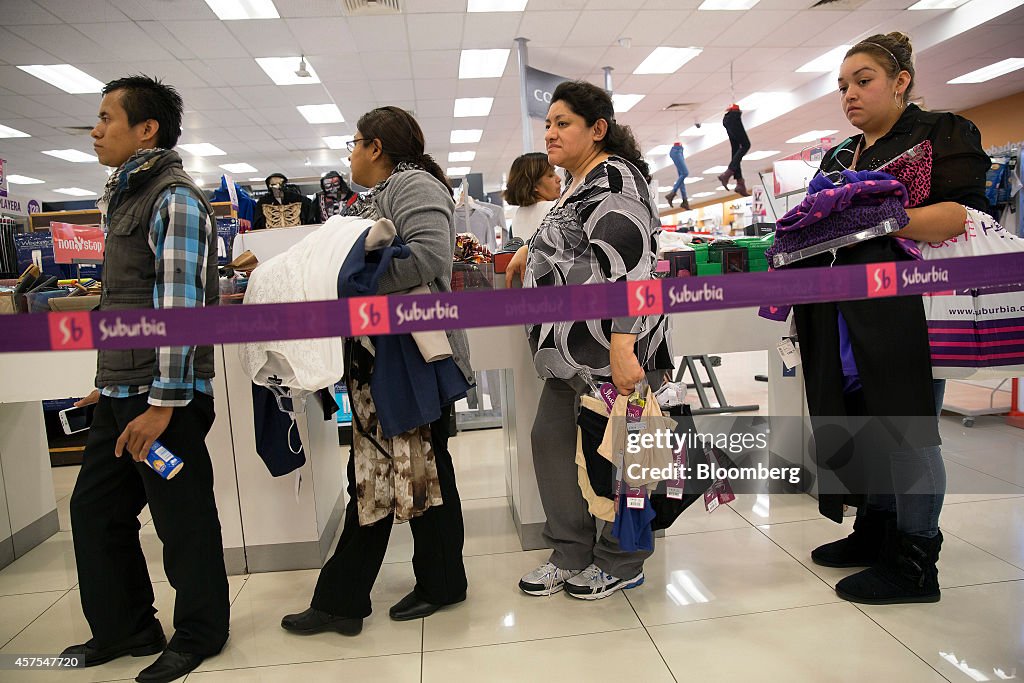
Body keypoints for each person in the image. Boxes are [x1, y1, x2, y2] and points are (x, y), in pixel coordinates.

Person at [801, 33, 990, 604]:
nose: (850, 96)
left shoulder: (941, 133)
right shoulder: (840, 155)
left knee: (907, 428)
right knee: (859, 418)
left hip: (911, 307)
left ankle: (914, 561)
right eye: (842, 87)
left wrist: (877, 216)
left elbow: (964, 216)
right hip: (840, 307)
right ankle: (877, 531)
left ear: (901, 81)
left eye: (863, 81)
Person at [62, 75, 230, 682]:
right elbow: (120, 304)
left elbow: (179, 311)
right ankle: (126, 626)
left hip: (165, 401)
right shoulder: (125, 197)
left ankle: (201, 633)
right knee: (94, 512)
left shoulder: (174, 199)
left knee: (181, 519)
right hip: (120, 393)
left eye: (108, 117)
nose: (96, 129)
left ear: (146, 129)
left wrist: (162, 404)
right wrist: (105, 381)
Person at [282, 106, 473, 635]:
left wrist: (351, 284)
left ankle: (355, 597)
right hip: (387, 359)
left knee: (406, 471)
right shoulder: (377, 197)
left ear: (376, 147)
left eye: (354, 143)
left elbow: (431, 257)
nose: (349, 155)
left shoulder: (413, 186)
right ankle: (427, 584)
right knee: (409, 471)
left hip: (411, 359)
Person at [505, 80, 672, 600]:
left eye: (563, 123)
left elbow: (633, 266)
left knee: (621, 457)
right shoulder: (580, 183)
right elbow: (574, 243)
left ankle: (622, 559)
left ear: (597, 130)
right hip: (574, 359)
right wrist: (526, 253)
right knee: (552, 444)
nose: (549, 133)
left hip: (614, 352)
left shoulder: (615, 179)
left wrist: (624, 344)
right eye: (548, 123)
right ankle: (572, 550)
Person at [503, 152, 562, 241]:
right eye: (550, 175)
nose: (558, 179)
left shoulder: (518, 214)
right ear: (534, 185)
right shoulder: (554, 208)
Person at [718, 104, 751, 197]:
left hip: (728, 118)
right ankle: (728, 173)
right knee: (746, 145)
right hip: (733, 117)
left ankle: (740, 182)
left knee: (736, 149)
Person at [666, 142, 690, 210]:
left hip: (680, 150)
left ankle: (685, 201)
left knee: (681, 177)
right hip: (676, 151)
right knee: (685, 173)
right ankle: (672, 193)